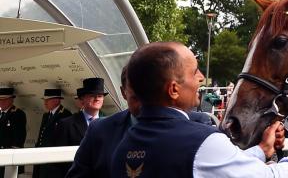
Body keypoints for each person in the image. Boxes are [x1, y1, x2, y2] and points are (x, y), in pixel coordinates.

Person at [110, 41, 288, 177]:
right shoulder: (201, 142)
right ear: (173, 89)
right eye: (194, 72)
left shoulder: (123, 146)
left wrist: (262, 150)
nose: (201, 77)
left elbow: (208, 165)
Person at [65, 65, 219, 178]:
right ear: (123, 92)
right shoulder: (100, 130)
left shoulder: (200, 127)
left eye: (150, 88)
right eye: (137, 90)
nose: (145, 96)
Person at [50, 78, 109, 177]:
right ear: (82, 99)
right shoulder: (66, 124)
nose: (97, 98)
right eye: (92, 95)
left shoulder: (109, 124)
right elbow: (58, 162)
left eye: (100, 95)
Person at [35, 88, 72, 178]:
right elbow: (41, 136)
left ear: (56, 100)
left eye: (47, 100)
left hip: (55, 162)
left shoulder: (65, 115)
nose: (45, 102)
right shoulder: (46, 115)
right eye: (45, 100)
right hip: (43, 158)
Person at [0, 86, 27, 152]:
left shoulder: (17, 114)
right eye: (0, 100)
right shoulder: (1, 113)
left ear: (11, 100)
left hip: (9, 152)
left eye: (4, 100)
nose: (1, 102)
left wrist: (14, 152)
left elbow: (19, 137)